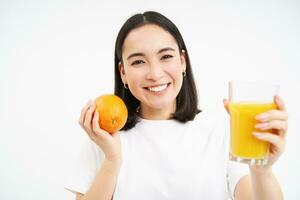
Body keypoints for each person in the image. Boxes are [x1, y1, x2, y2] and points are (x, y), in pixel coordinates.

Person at [65, 11, 288, 200]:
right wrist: (112, 161)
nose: (155, 73)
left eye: (165, 57)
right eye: (138, 61)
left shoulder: (220, 131)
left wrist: (262, 170)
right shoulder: (105, 138)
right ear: (123, 72)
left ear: (182, 61)